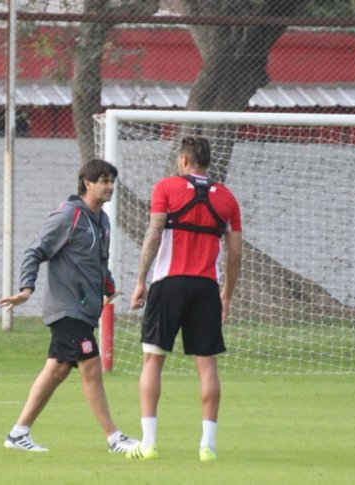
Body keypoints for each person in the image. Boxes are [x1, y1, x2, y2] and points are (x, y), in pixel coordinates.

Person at [0, 159, 139, 454]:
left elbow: (98, 262)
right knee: (91, 366)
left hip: (85, 310)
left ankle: (17, 434)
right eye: (105, 181)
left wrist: (108, 287)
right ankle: (115, 439)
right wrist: (26, 288)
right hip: (65, 308)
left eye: (113, 181)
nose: (111, 187)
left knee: (58, 370)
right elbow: (34, 251)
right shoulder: (67, 216)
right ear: (88, 183)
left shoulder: (103, 220)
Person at [128, 136, 243, 462]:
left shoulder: (166, 188)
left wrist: (140, 280)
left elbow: (154, 233)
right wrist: (227, 295)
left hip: (168, 285)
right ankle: (208, 446)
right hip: (206, 288)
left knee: (153, 361)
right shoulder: (228, 199)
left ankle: (148, 444)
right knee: (207, 367)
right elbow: (236, 256)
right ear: (208, 163)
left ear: (183, 160)